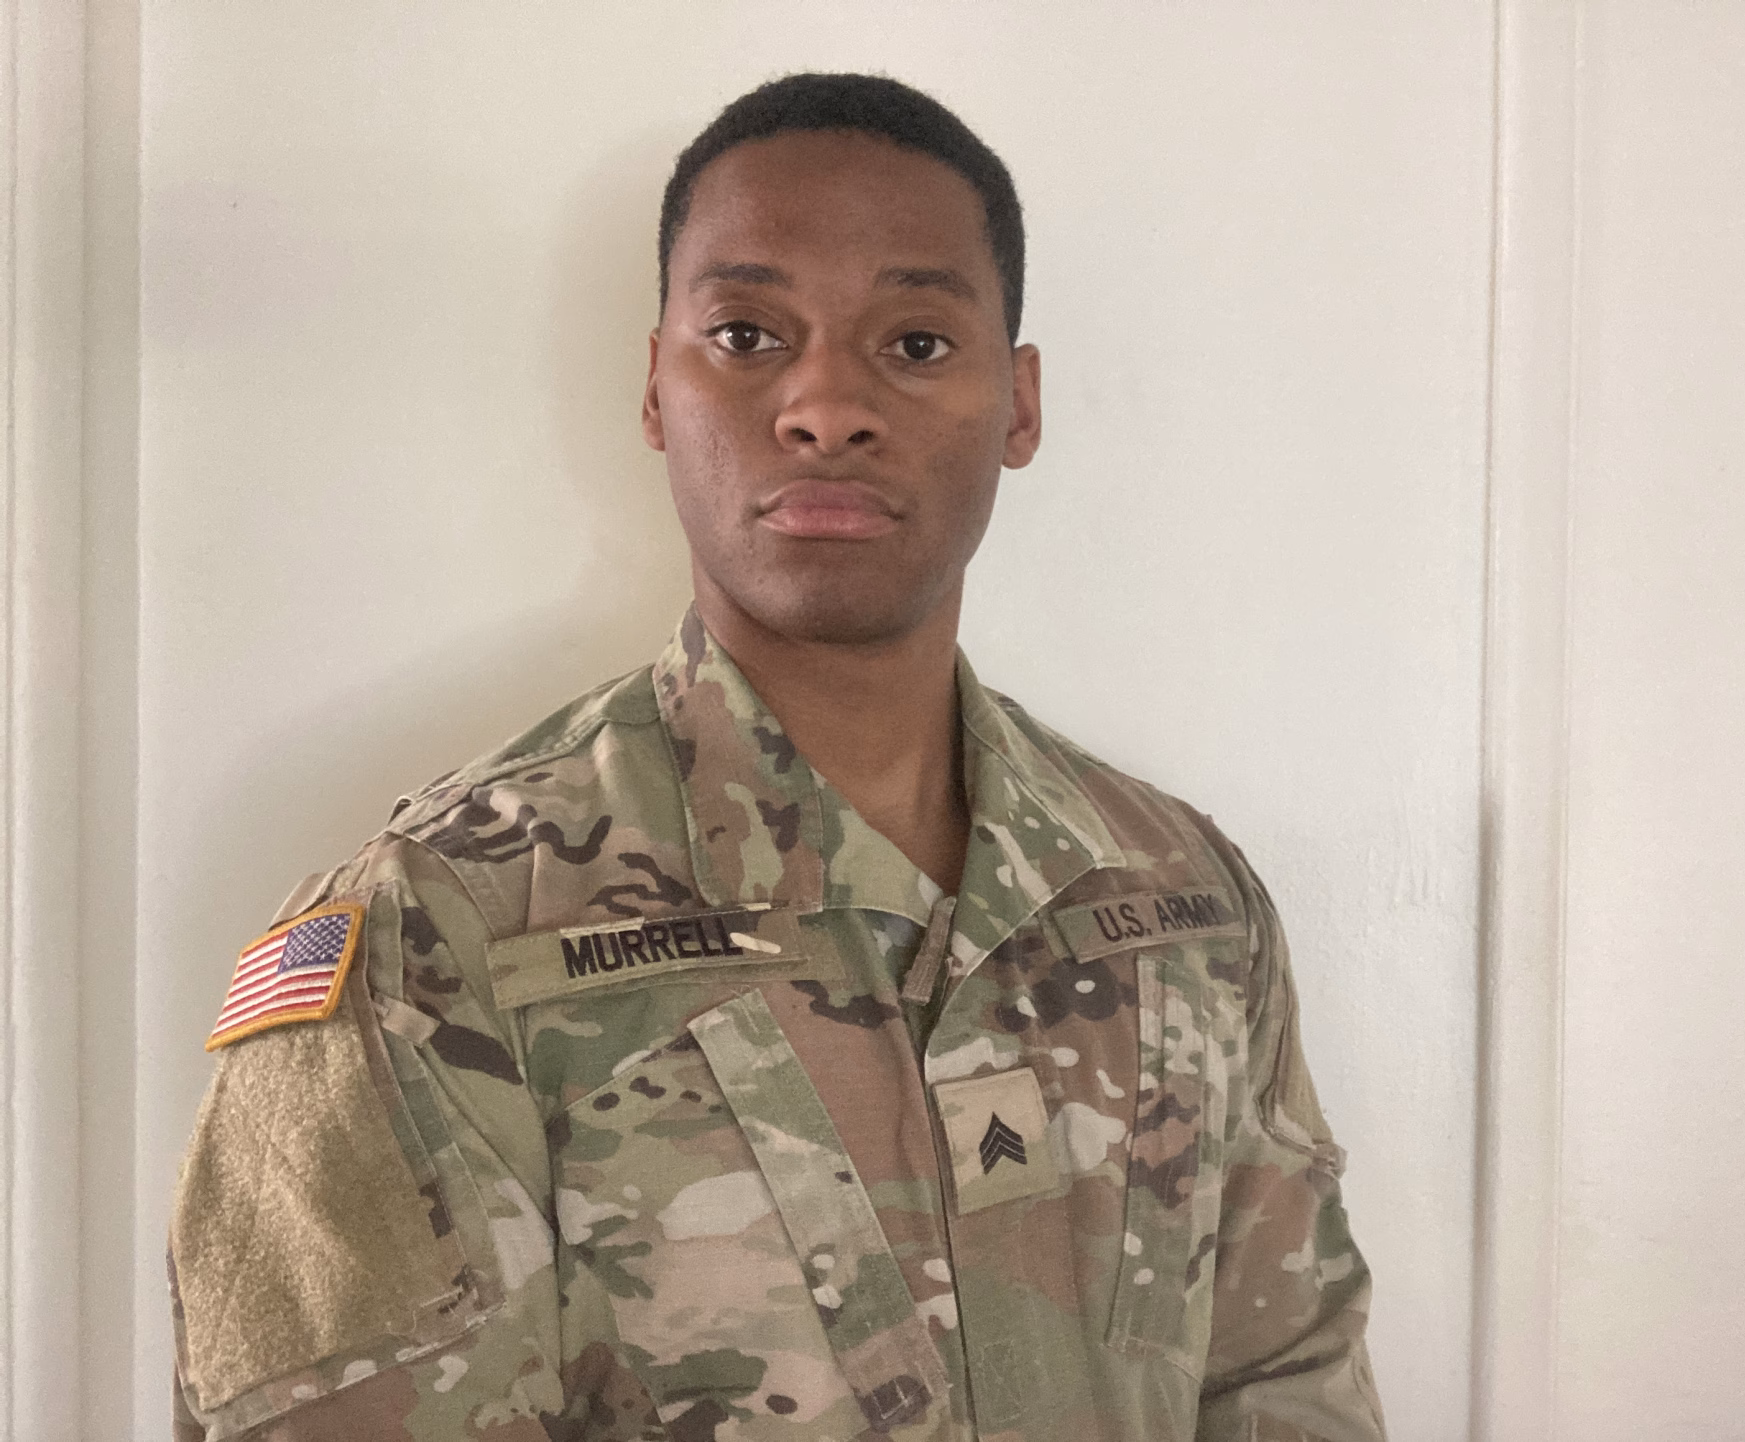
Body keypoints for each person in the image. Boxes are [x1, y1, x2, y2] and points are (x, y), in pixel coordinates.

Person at [169, 72, 1388, 1442]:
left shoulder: (1183, 899)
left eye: (915, 342)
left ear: (1019, 404)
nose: (826, 405)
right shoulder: (430, 941)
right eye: (748, 335)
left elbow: (1286, 1383)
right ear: (655, 387)